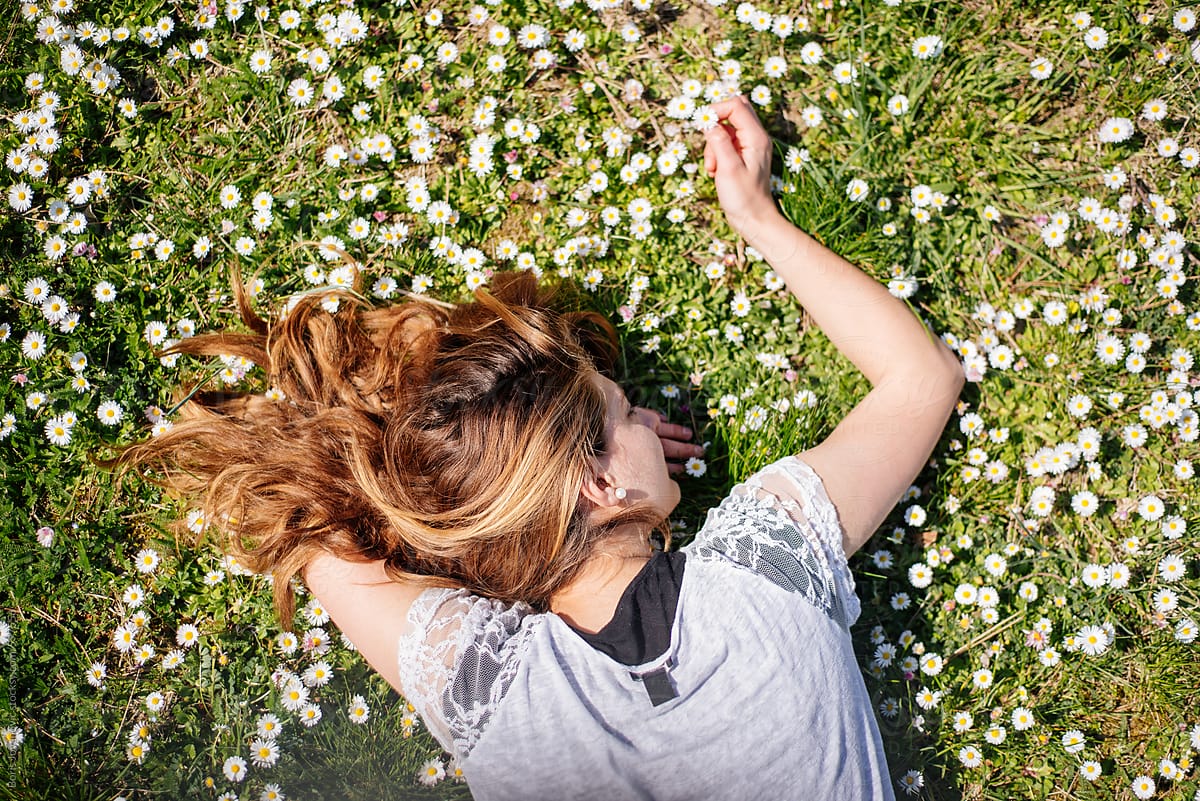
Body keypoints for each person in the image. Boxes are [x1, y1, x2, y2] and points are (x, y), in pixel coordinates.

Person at [115, 96, 963, 799]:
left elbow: (313, 528)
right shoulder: (762, 564)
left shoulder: (489, 691)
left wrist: (476, 504)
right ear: (598, 482)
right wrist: (756, 215)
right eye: (628, 411)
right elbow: (922, 379)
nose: (649, 425)